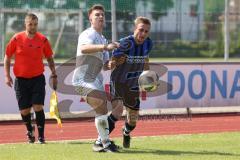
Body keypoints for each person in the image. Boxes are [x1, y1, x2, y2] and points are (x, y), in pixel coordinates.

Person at [4, 13, 58, 144]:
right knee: (24, 110)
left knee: (38, 106)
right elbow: (7, 57)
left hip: (37, 79)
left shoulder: (43, 39)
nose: (33, 27)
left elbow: (50, 58)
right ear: (25, 24)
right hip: (21, 80)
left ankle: (41, 136)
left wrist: (54, 73)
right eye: (30, 24)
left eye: (35, 24)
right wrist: (7, 75)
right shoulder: (16, 38)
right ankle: (30, 130)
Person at [72, 4, 119, 152]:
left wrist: (112, 63)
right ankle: (105, 144)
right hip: (81, 80)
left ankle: (101, 143)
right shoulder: (87, 34)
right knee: (100, 104)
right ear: (90, 18)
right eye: (97, 15)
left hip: (96, 80)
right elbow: (84, 48)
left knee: (103, 108)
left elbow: (105, 66)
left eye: (102, 15)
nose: (100, 17)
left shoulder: (103, 38)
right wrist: (105, 47)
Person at [108, 16, 153, 148]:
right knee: (118, 110)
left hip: (134, 85)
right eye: (141, 30)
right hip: (119, 82)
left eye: (146, 31)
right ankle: (101, 139)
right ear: (135, 29)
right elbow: (112, 62)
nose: (143, 33)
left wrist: (147, 77)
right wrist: (114, 62)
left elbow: (146, 60)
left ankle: (126, 132)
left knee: (132, 121)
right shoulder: (125, 43)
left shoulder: (148, 43)